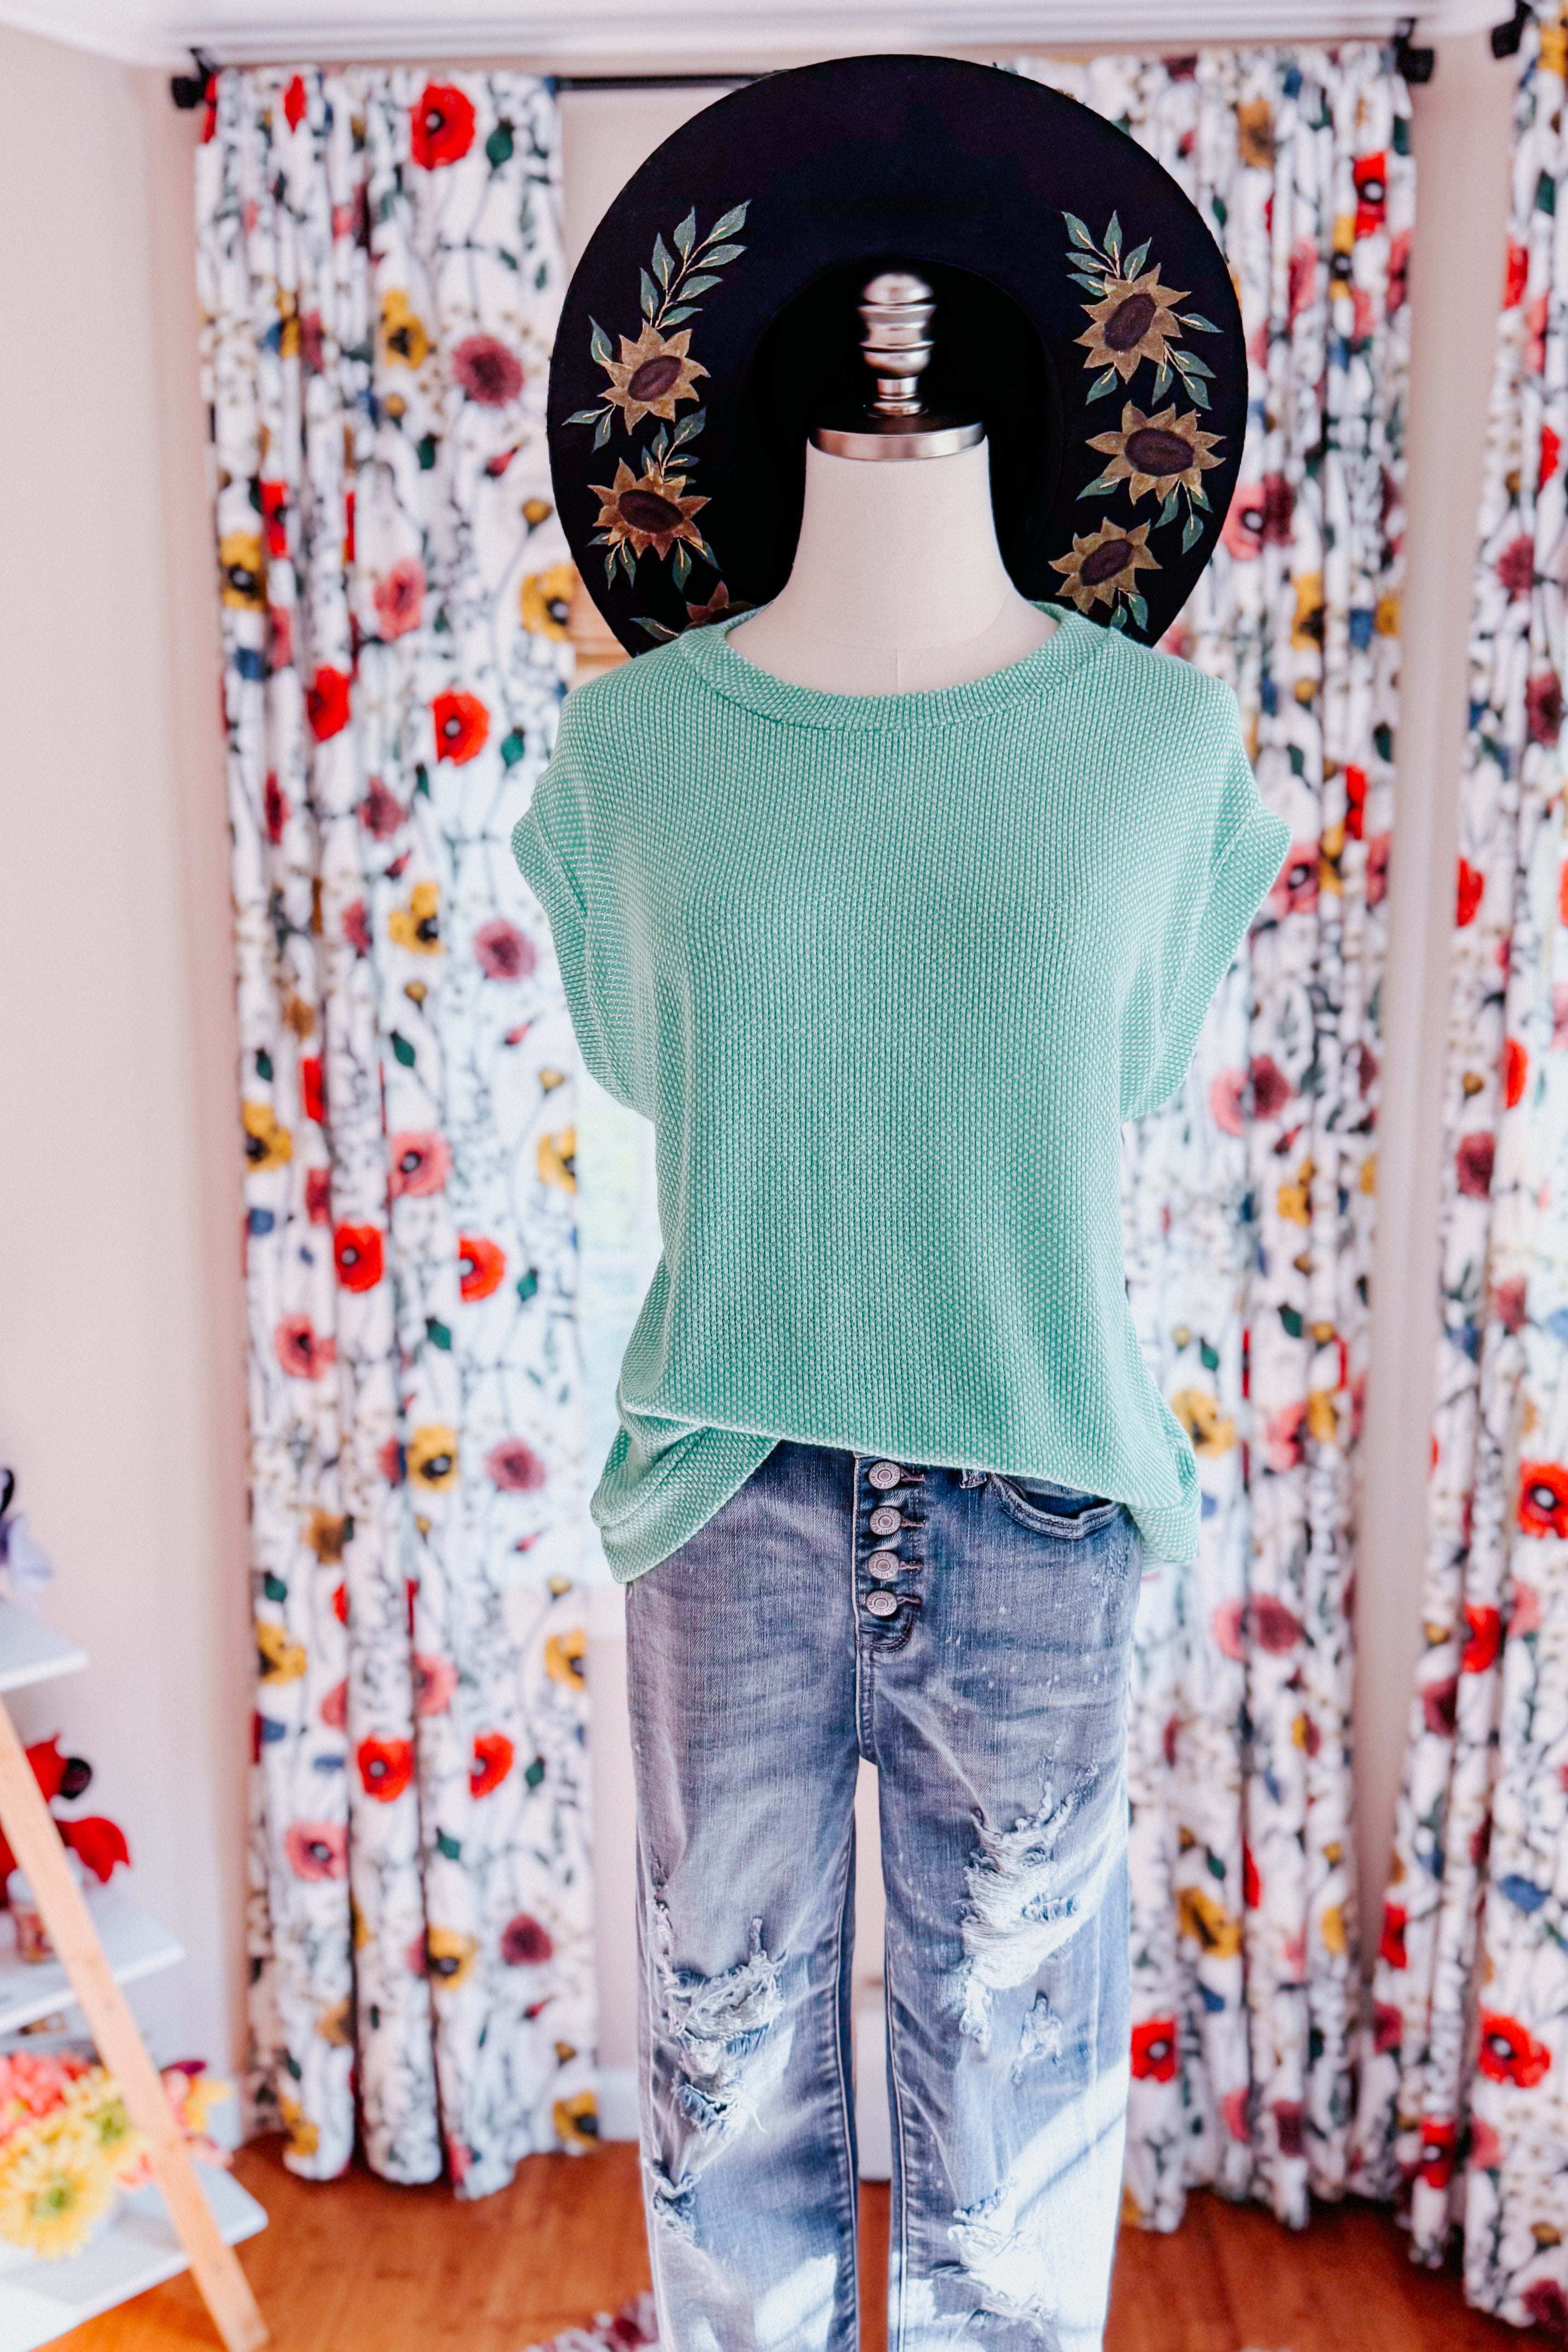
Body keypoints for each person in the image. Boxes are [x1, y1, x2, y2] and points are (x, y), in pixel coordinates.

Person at [517, 55, 1287, 2352]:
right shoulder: (633, 748)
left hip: (1042, 1484)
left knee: (1016, 2133)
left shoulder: (1157, 749)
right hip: (730, 1482)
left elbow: (1118, 1058)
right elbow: (670, 1063)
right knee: (725, 2094)